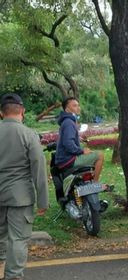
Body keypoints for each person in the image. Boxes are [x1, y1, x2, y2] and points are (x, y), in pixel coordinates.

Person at [0, 94, 49, 280]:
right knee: (18, 239)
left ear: (1, 113)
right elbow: (38, 168)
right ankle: (13, 276)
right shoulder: (28, 135)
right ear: (22, 111)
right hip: (20, 196)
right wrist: (42, 200)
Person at [54, 98, 110, 201]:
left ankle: (86, 184)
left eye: (78, 105)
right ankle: (94, 184)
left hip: (64, 159)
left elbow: (67, 138)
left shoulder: (67, 121)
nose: (78, 107)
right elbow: (68, 143)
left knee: (91, 153)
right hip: (68, 160)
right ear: (67, 109)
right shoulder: (69, 122)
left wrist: (78, 139)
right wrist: (81, 151)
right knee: (100, 155)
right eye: (74, 105)